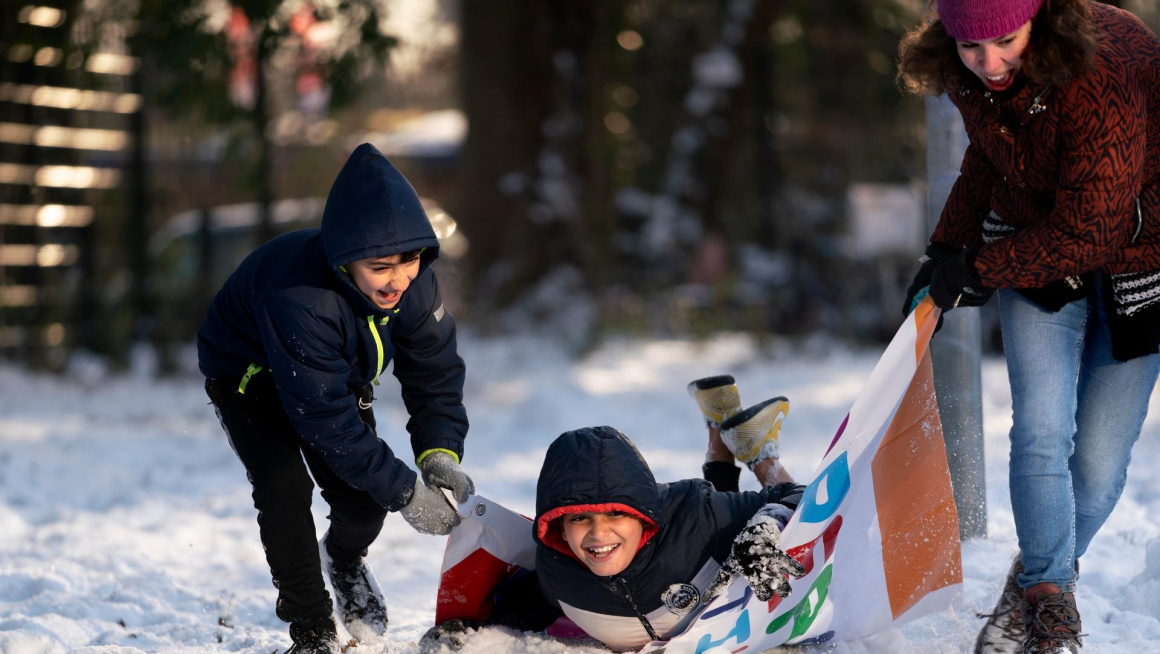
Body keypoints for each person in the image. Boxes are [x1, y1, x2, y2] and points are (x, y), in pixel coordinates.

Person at [897, 1, 1160, 652]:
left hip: (1140, 262)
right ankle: (1049, 607)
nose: (988, 64)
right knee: (1041, 432)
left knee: (1098, 467)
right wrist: (945, 250)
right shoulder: (968, 74)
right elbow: (987, 162)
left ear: (1041, 23)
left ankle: (1035, 585)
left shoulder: (1100, 71)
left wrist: (980, 268)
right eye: (968, 47)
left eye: (1004, 42)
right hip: (1031, 253)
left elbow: (1091, 227)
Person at [198, 143, 474, 654]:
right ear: (344, 261)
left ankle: (345, 560)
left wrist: (438, 451)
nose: (398, 278)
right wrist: (408, 492)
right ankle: (311, 630)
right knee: (284, 487)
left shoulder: (414, 285)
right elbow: (325, 421)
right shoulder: (301, 297)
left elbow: (433, 372)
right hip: (247, 374)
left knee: (364, 499)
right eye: (381, 266)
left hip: (328, 370)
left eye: (410, 260)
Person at [422, 376, 806, 652]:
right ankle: (719, 428)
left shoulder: (694, 516)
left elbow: (799, 497)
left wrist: (763, 530)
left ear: (642, 516)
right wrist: (466, 631)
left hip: (703, 524)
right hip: (704, 540)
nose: (598, 534)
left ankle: (760, 452)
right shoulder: (559, 571)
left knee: (748, 530)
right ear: (556, 525)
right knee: (720, 534)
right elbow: (514, 610)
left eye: (614, 516)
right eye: (579, 518)